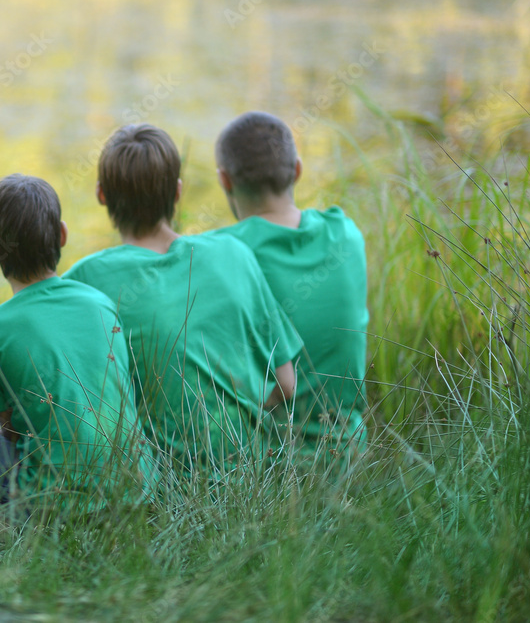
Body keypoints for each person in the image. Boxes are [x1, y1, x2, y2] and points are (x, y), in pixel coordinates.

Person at [63, 124, 301, 476]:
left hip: (154, 484)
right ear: (177, 193)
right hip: (249, 476)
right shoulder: (234, 254)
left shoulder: (85, 280)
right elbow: (287, 384)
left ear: (101, 195)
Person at [0, 174, 156, 509]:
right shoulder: (101, 303)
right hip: (140, 491)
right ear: (62, 235)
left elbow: (13, 432)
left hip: (52, 507)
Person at [211, 111, 369, 462]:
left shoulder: (220, 254)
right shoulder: (346, 234)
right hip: (348, 456)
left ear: (225, 180)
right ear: (297, 169)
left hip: (269, 464)